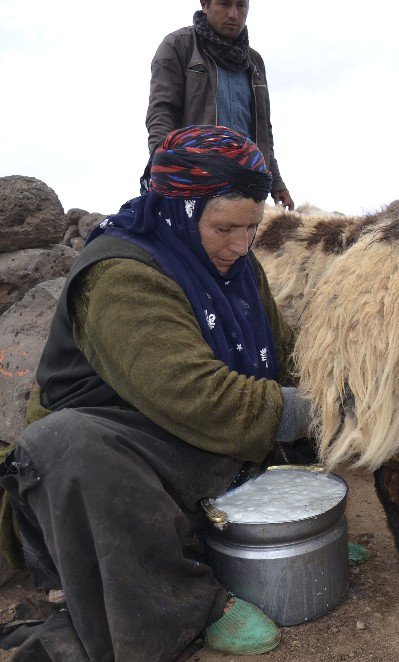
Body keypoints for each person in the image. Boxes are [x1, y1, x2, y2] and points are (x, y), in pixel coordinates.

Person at [0, 126, 312, 660]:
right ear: (177, 210)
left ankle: (280, 547)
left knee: (282, 407)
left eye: (252, 228)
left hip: (197, 446)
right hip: (127, 460)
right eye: (224, 228)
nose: (241, 245)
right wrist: (313, 411)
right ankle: (189, 601)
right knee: (67, 444)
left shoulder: (236, 265)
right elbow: (198, 398)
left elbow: (282, 359)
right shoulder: (121, 275)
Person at [146, 0, 295, 210]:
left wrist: (276, 182)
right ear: (205, 4)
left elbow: (263, 130)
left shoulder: (255, 62)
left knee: (244, 242)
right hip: (196, 178)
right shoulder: (179, 45)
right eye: (224, 4)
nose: (234, 14)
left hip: (248, 182)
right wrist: (162, 164)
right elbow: (162, 110)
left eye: (241, 5)